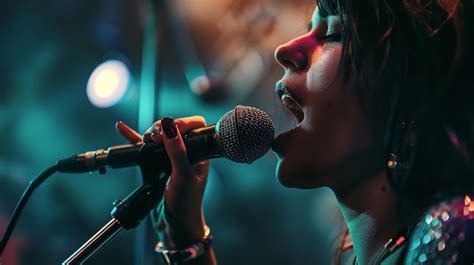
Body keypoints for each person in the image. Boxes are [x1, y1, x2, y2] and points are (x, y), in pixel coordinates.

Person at [116, 0, 474, 264]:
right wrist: (185, 240)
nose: (284, 50)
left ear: (406, 90)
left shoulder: (454, 234)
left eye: (332, 34)